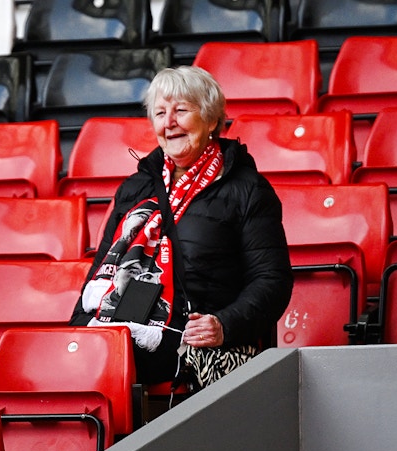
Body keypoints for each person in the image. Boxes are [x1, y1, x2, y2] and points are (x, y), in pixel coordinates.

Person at [70, 65, 293, 387]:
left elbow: (272, 280)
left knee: (109, 365)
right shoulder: (135, 188)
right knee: (69, 358)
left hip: (193, 334)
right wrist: (79, 330)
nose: (169, 123)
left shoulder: (247, 189)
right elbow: (101, 270)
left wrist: (224, 324)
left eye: (181, 111)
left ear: (212, 120)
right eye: (160, 113)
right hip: (129, 321)